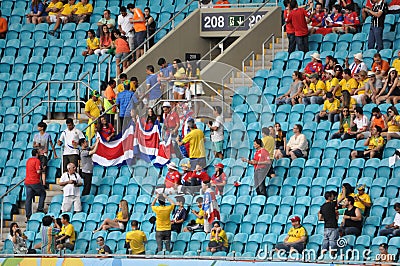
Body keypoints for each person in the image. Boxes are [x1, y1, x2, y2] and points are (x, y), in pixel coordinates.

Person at [25, 149, 46, 221]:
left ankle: (28, 215)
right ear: (37, 154)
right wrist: (42, 169)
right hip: (34, 181)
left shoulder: (28, 160)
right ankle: (40, 208)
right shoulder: (37, 161)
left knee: (28, 198)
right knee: (43, 193)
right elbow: (38, 171)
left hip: (27, 182)